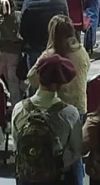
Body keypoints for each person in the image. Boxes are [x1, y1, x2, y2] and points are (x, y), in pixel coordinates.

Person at [12, 55, 82, 185]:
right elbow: (76, 151)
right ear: (61, 83)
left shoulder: (19, 109)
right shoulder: (70, 114)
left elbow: (16, 144)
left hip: (27, 176)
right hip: (57, 177)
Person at [27, 15, 90, 114]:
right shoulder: (82, 51)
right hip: (80, 107)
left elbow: (31, 77)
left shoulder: (49, 55)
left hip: (59, 110)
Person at [20, 0, 70, 68]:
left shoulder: (29, 1)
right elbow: (66, 25)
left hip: (35, 48)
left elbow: (23, 29)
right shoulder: (61, 0)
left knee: (35, 80)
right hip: (56, 48)